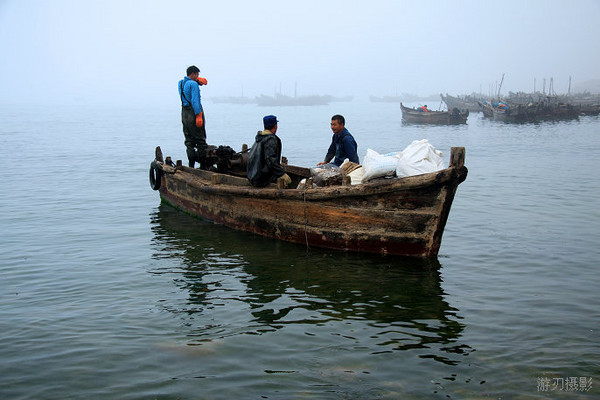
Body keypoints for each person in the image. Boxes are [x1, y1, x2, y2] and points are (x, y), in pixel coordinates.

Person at [247, 115, 292, 187]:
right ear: (275, 126)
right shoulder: (270, 140)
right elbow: (270, 159)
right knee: (288, 182)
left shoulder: (260, 138)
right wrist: (281, 174)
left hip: (255, 176)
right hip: (262, 179)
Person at [178, 65, 208, 168]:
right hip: (193, 113)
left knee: (189, 140)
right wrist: (198, 115)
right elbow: (195, 101)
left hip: (184, 113)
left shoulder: (181, 83)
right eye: (197, 75)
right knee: (200, 140)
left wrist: (197, 82)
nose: (198, 76)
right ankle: (203, 166)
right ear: (193, 74)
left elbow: (187, 90)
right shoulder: (193, 85)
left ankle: (191, 166)